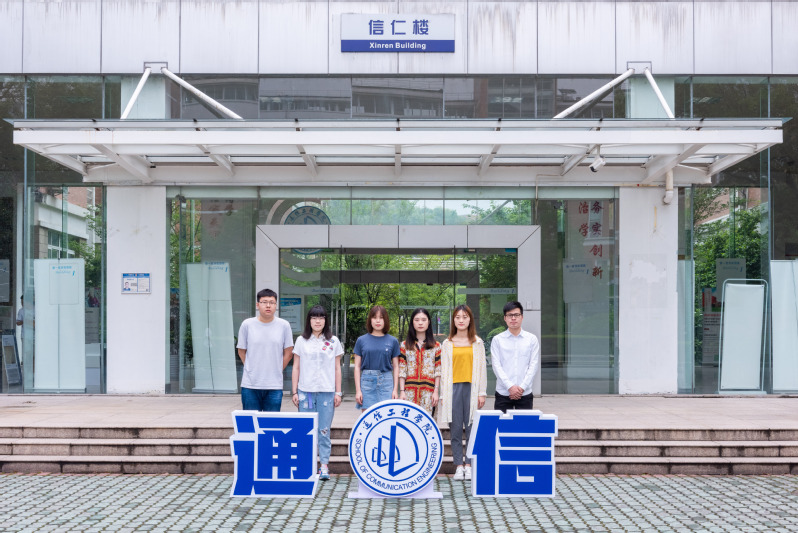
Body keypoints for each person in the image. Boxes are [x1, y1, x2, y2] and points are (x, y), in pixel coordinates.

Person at [291, 305, 344, 481]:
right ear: (309, 320)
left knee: (324, 430)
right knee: (305, 430)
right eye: (314, 317)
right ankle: (306, 465)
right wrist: (294, 391)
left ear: (325, 320)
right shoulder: (301, 341)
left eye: (321, 317)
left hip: (327, 392)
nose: (318, 321)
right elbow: (296, 367)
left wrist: (338, 392)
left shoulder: (333, 341)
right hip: (305, 391)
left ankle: (324, 466)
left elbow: (337, 368)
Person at [437, 304, 487, 481]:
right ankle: (459, 465)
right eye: (457, 317)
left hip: (472, 388)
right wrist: (443, 394)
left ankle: (469, 465)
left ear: (470, 320)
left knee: (472, 427)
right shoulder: (447, 343)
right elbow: (443, 370)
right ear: (453, 320)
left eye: (465, 317)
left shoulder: (477, 342)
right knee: (456, 429)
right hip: (453, 389)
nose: (461, 320)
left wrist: (482, 392)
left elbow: (482, 368)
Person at [236, 288, 293, 412]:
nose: (268, 305)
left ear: (276, 305)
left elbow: (289, 352)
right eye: (264, 302)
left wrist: (277, 368)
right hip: (250, 384)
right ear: (257, 305)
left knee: (271, 422)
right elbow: (241, 351)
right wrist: (250, 367)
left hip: (274, 385)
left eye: (272, 302)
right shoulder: (247, 324)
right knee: (251, 421)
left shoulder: (284, 325)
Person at [490, 301, 540, 413]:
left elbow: (533, 365)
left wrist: (522, 387)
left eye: (516, 315)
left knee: (524, 424)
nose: (513, 318)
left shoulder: (531, 339)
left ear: (522, 317)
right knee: (501, 424)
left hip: (525, 393)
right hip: (503, 393)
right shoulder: (497, 340)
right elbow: (496, 366)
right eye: (510, 315)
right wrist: (510, 387)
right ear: (505, 318)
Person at [353, 305, 400, 412]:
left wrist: (395, 390)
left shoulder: (393, 341)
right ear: (370, 320)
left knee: (386, 415)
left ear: (385, 320)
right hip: (367, 382)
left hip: (386, 382)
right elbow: (357, 367)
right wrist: (358, 390)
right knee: (367, 416)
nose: (378, 321)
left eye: (381, 318)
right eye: (374, 317)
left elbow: (396, 367)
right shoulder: (361, 340)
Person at [399, 308, 441, 416]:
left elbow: (438, 370)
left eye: (423, 320)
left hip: (428, 392)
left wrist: (436, 391)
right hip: (409, 392)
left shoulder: (436, 346)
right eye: (417, 320)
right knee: (409, 421)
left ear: (429, 322)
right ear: (412, 322)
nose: (420, 323)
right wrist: (402, 391)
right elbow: (402, 369)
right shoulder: (404, 345)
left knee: (428, 422)